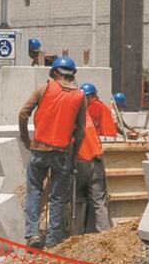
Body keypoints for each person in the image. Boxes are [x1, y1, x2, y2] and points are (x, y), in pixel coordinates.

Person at [19, 55, 86, 249]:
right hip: (63, 153)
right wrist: (73, 158)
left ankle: (32, 233)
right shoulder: (80, 96)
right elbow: (80, 131)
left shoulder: (45, 87)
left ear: (55, 72)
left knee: (34, 191)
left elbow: (23, 113)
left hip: (40, 149)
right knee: (57, 197)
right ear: (72, 75)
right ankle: (53, 242)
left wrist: (26, 139)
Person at [72, 89, 110, 235]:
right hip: (96, 162)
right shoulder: (88, 116)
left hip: (79, 163)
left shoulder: (73, 116)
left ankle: (75, 235)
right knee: (98, 203)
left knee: (76, 201)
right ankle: (105, 234)